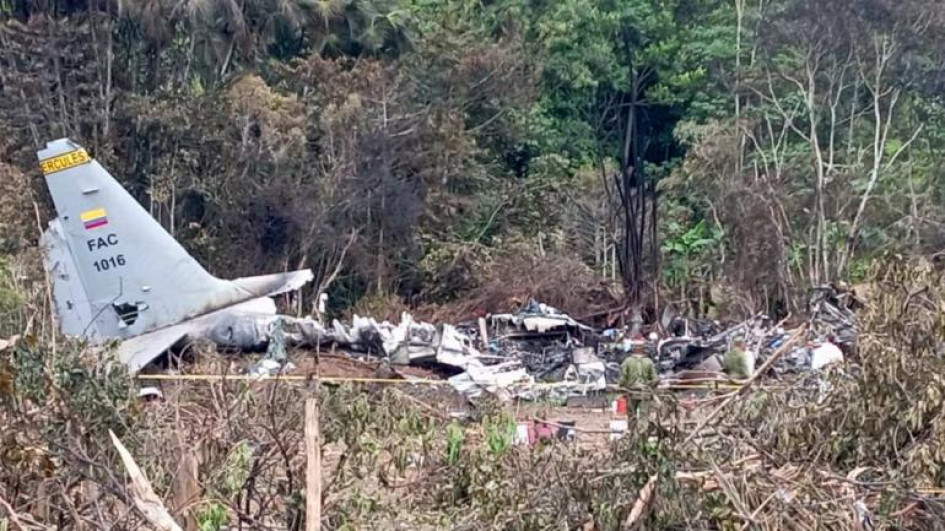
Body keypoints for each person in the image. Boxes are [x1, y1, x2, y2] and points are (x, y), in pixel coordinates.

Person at [619, 335, 658, 424]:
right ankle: (642, 435)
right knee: (644, 416)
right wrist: (650, 386)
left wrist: (621, 385)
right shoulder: (649, 362)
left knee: (631, 416)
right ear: (643, 349)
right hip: (645, 393)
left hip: (631, 393)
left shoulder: (627, 361)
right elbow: (655, 379)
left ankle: (632, 435)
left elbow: (623, 379)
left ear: (633, 348)